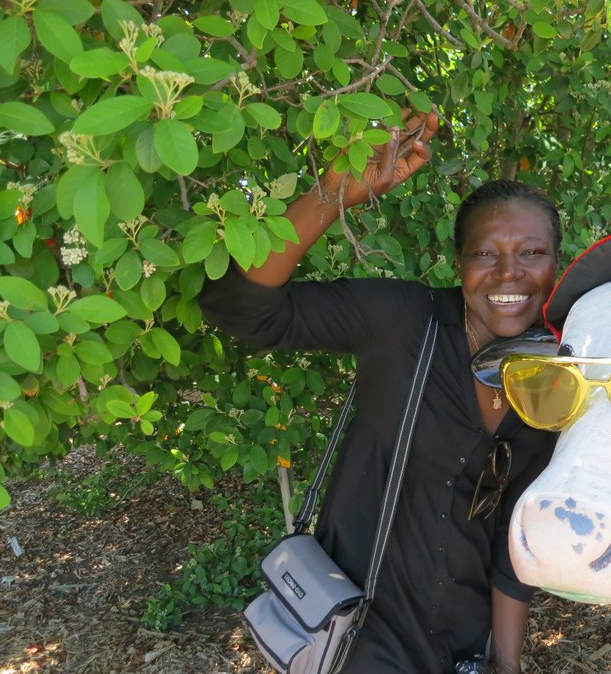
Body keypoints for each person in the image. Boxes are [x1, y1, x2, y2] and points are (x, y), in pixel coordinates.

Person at [199, 110, 561, 673]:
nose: (508, 273)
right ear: (458, 263)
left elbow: (513, 535)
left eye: (531, 253)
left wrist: (505, 663)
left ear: (555, 263)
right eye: (485, 253)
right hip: (362, 638)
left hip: (465, 645)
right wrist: (334, 192)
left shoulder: (554, 377)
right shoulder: (404, 321)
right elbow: (240, 307)